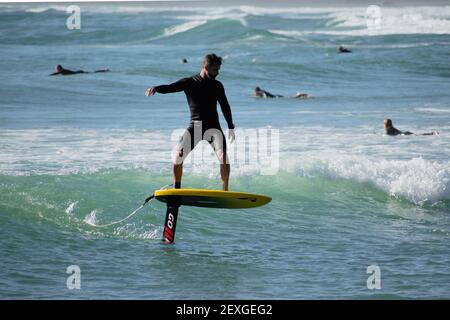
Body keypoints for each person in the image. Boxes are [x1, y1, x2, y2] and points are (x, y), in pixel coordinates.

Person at [146, 53, 235, 191]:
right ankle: (177, 189)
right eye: (215, 69)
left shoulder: (217, 86)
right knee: (178, 156)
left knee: (223, 157)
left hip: (214, 128)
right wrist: (156, 88)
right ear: (206, 66)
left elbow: (225, 106)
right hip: (196, 126)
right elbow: (171, 87)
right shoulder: (190, 82)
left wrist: (230, 126)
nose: (218, 73)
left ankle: (225, 190)